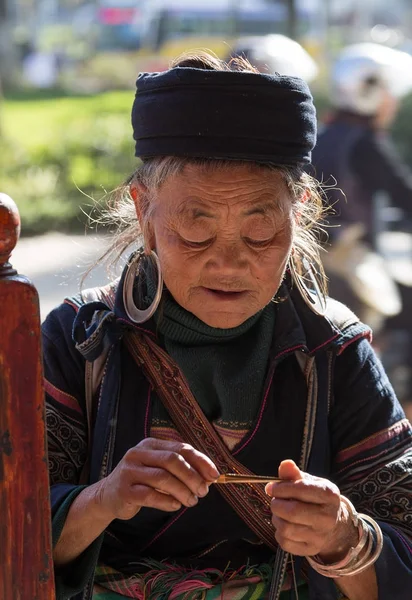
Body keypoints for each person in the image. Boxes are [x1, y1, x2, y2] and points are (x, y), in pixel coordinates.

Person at [43, 51, 412, 600]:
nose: (229, 262)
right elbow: (13, 527)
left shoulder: (334, 350)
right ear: (144, 212)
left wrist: (344, 537)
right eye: (196, 230)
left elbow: (403, 544)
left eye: (260, 233)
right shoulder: (79, 342)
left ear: (301, 212)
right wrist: (106, 497)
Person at [311, 42, 412, 417]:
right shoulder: (365, 142)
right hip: (348, 265)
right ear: (372, 92)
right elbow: (405, 194)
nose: (393, 104)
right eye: (389, 94)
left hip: (315, 260)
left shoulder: (324, 133)